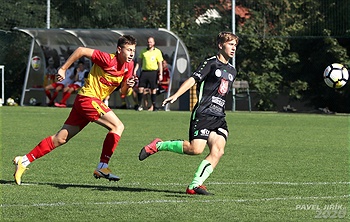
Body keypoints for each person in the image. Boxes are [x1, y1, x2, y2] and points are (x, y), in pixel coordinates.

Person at [13, 35, 137, 185]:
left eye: (133, 51)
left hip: (86, 102)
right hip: (88, 99)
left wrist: (129, 85)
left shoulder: (128, 66)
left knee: (60, 138)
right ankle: (103, 166)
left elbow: (123, 92)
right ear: (119, 49)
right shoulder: (107, 59)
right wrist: (63, 69)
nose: (131, 53)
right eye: (128, 50)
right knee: (118, 126)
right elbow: (81, 50)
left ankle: (24, 161)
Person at [138, 31, 239, 195]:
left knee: (218, 151)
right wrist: (176, 95)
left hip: (219, 117)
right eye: (230, 44)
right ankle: (159, 145)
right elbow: (193, 79)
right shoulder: (210, 63)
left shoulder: (233, 70)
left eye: (235, 45)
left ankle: (195, 185)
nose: (234, 48)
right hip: (204, 113)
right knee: (196, 149)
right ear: (220, 45)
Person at [134, 36, 163, 111]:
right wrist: (135, 70)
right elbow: (139, 62)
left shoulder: (157, 51)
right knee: (140, 88)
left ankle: (154, 106)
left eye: (151, 42)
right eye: (148, 42)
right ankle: (139, 105)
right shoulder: (143, 51)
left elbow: (160, 63)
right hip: (144, 72)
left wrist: (161, 74)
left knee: (153, 89)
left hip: (153, 72)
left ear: (153, 43)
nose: (149, 43)